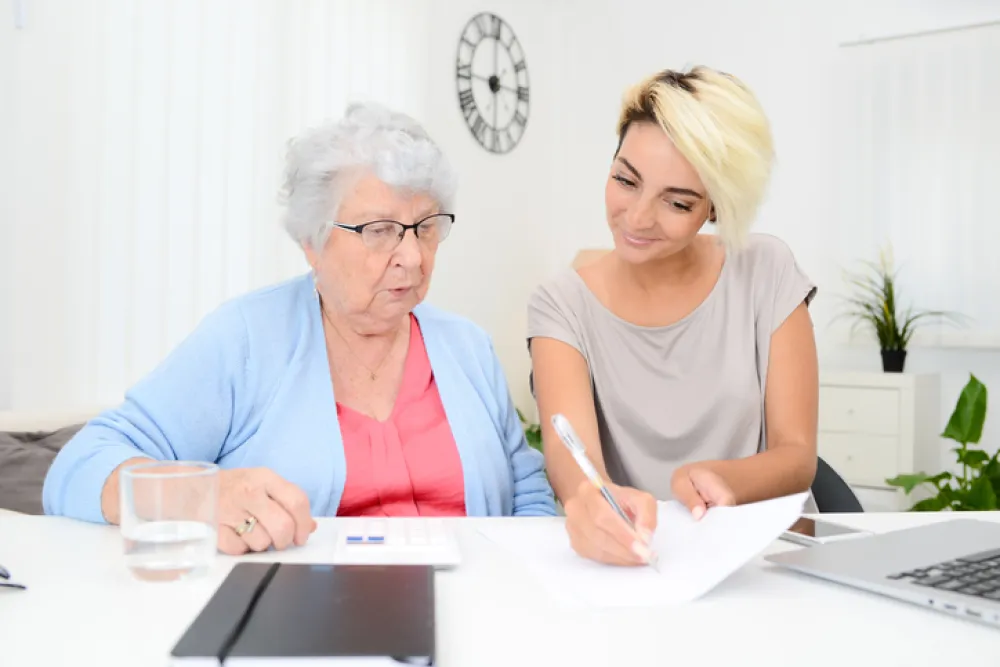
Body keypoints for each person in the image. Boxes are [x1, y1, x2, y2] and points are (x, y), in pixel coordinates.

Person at [44, 102, 557, 553]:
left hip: (470, 607)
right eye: (380, 230)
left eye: (425, 227)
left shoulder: (467, 346)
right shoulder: (247, 338)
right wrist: (200, 496)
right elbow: (80, 467)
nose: (413, 256)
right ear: (312, 241)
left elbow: (527, 495)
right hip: (303, 609)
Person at [527, 66, 818, 567]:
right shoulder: (561, 304)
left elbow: (797, 455)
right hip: (644, 561)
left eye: (678, 203)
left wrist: (725, 479)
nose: (638, 217)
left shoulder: (765, 270)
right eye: (625, 180)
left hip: (767, 560)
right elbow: (571, 462)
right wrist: (594, 504)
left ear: (715, 208)